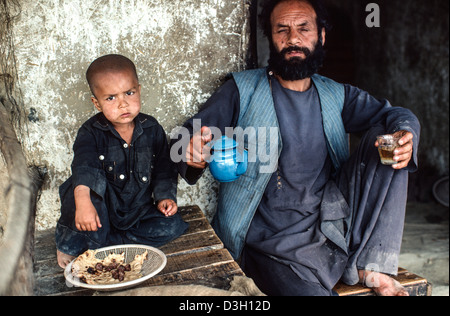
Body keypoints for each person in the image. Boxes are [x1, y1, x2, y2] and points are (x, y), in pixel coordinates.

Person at [171, 0, 420, 296]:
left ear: (321, 36)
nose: (293, 39)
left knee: (389, 140)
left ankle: (371, 265)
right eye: (282, 30)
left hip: (332, 223)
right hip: (270, 242)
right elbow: (183, 138)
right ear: (271, 39)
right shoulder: (242, 89)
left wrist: (406, 132)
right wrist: (193, 151)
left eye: (304, 29)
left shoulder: (336, 94)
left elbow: (394, 114)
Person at [56, 54, 188, 268]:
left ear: (139, 89)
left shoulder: (152, 128)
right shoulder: (90, 132)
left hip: (137, 211)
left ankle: (104, 244)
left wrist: (165, 197)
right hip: (100, 212)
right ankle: (71, 243)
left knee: (171, 225)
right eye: (110, 98)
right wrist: (83, 202)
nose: (123, 103)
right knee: (78, 191)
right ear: (96, 103)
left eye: (129, 93)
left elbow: (165, 168)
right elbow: (84, 167)